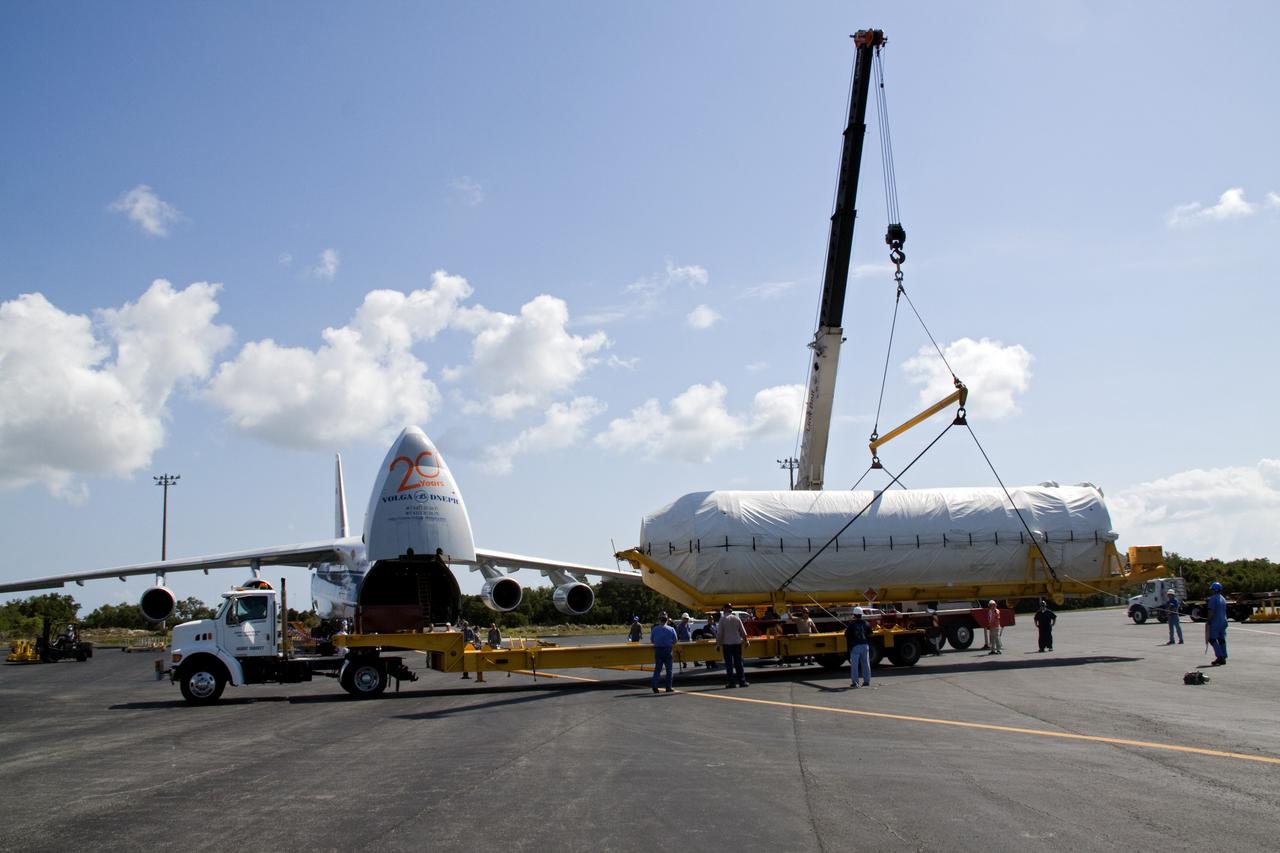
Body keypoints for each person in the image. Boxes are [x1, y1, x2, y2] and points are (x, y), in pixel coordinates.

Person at [716, 604, 749, 688]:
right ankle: (742, 681)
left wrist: (718, 644)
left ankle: (731, 683)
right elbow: (743, 632)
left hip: (727, 644)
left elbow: (719, 634)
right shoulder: (736, 618)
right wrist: (746, 641)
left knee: (729, 664)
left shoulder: (722, 619)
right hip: (737, 643)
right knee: (739, 663)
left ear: (724, 610)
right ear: (731, 610)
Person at [845, 607, 873, 687]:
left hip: (855, 646)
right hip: (865, 645)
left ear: (854, 615)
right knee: (866, 664)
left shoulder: (851, 624)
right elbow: (871, 634)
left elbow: (846, 635)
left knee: (854, 665)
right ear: (861, 614)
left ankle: (855, 682)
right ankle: (866, 681)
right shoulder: (866, 623)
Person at [650, 613, 678, 693]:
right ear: (667, 620)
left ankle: (655, 686)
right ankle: (668, 687)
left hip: (658, 650)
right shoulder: (671, 629)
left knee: (657, 669)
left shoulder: (655, 629)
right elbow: (675, 641)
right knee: (669, 670)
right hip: (668, 650)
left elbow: (652, 640)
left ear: (659, 619)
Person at [1206, 581, 1229, 665]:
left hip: (1216, 622)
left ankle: (1220, 656)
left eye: (1212, 589)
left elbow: (1211, 611)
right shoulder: (1223, 598)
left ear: (1214, 590)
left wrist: (1208, 620)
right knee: (1221, 639)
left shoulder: (1213, 598)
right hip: (1223, 621)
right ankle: (1224, 655)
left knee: (1212, 639)